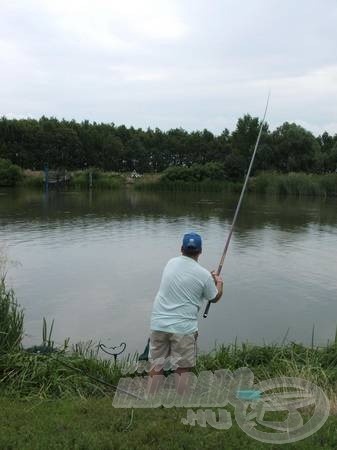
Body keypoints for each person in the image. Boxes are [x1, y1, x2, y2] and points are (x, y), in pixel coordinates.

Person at [148, 232, 223, 394]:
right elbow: (214, 297)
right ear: (200, 251)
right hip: (183, 328)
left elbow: (185, 277)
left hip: (159, 323)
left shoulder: (171, 263)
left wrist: (208, 280)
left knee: (157, 364)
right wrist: (219, 283)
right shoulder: (203, 275)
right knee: (182, 368)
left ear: (181, 249)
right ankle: (181, 403)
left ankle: (151, 399)